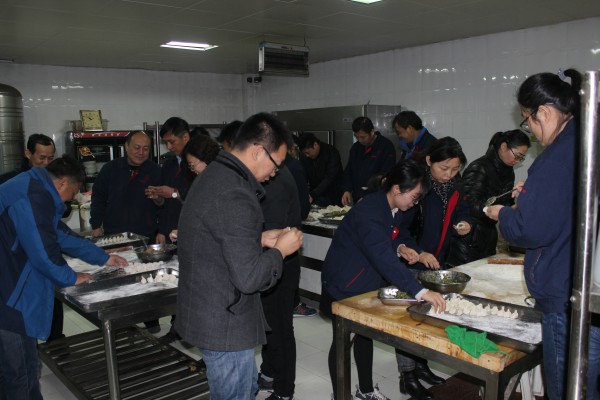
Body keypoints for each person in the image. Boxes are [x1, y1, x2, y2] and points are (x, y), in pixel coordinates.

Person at [485, 69, 599, 400]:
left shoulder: (559, 155)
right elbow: (566, 209)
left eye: (528, 121)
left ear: (544, 112)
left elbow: (528, 229)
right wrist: (532, 195)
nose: (532, 131)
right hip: (584, 286)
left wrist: (503, 214)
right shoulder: (586, 143)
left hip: (565, 293)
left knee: (567, 388)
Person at [175, 112, 304, 400]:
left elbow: (215, 235)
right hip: (225, 322)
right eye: (276, 164)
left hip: (209, 310)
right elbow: (250, 278)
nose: (275, 173)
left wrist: (259, 238)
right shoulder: (236, 193)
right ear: (258, 151)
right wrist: (281, 251)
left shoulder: (216, 174)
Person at [0, 156, 128, 400]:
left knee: (22, 367)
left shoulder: (35, 188)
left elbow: (59, 234)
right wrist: (70, 277)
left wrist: (103, 257)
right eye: (74, 192)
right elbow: (42, 252)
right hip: (7, 294)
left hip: (10, 285)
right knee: (20, 371)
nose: (72, 198)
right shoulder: (32, 195)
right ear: (62, 184)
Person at [320, 159, 445, 400]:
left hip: (364, 282)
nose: (415, 203)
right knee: (343, 342)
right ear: (397, 189)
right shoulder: (370, 211)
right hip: (345, 284)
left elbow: (391, 237)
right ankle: (340, 395)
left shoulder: (391, 208)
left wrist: (401, 248)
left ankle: (366, 390)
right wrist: (420, 292)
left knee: (364, 336)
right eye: (414, 197)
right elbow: (382, 257)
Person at [446, 129, 530, 265]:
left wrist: (516, 205)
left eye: (521, 158)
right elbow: (468, 205)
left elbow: (505, 203)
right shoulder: (479, 167)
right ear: (504, 146)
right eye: (517, 156)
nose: (517, 161)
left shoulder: (508, 171)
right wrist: (495, 211)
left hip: (487, 238)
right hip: (468, 238)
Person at [258, 155, 304, 400]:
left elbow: (272, 231)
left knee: (280, 328)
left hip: (280, 263)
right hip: (274, 260)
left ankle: (284, 391)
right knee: (269, 325)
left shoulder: (275, 180)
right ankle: (269, 373)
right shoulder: (273, 174)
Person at [90, 130, 161, 239]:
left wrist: (162, 230)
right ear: (126, 146)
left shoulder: (155, 171)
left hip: (146, 235)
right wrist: (96, 225)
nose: (141, 152)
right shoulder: (110, 169)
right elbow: (98, 198)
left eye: (146, 149)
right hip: (114, 234)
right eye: (137, 147)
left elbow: (165, 205)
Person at [145, 117, 193, 244]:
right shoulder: (168, 165)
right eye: (165, 143)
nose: (169, 147)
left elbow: (199, 199)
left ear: (185, 137)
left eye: (172, 142)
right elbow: (165, 205)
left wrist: (174, 193)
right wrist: (158, 197)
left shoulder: (198, 164)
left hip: (191, 230)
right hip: (169, 231)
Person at [341, 117, 396, 206]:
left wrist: (367, 196)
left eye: (363, 137)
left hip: (377, 198)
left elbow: (386, 175)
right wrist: (347, 190)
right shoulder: (355, 148)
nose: (360, 140)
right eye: (356, 137)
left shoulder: (385, 146)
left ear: (372, 132)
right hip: (358, 198)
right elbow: (349, 171)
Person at [297, 132, 343, 207]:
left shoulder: (331, 153)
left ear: (315, 145)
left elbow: (329, 178)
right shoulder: (304, 156)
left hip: (333, 196)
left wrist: (313, 194)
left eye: (308, 153)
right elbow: (303, 176)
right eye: (304, 153)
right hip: (315, 196)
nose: (306, 155)